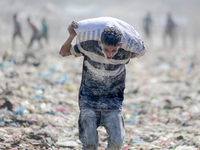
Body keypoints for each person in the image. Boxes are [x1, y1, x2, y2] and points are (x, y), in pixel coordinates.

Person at [59, 21, 146, 150]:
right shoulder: (89, 47)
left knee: (117, 143)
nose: (109, 54)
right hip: (88, 102)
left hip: (113, 103)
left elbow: (140, 51)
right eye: (106, 49)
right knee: (90, 145)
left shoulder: (124, 54)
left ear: (120, 45)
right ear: (100, 43)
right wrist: (71, 36)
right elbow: (63, 53)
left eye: (113, 50)